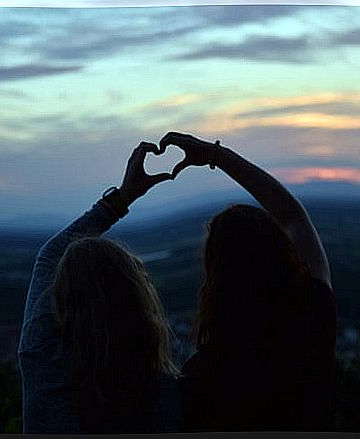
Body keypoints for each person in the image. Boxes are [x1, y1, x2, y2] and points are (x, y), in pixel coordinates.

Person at [158, 131, 337, 432]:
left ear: (216, 279)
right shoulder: (313, 312)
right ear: (281, 251)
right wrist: (215, 156)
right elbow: (293, 216)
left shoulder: (204, 375)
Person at [17, 142, 181, 434]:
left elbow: (49, 255)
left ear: (62, 301)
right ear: (138, 302)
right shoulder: (165, 391)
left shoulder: (41, 359)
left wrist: (124, 196)